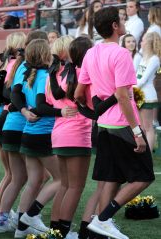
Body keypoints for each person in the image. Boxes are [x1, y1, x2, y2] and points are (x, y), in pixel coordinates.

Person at [74, 7, 155, 239]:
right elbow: (122, 95)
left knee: (112, 178)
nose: (124, 21)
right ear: (114, 26)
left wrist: (94, 110)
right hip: (122, 126)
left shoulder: (91, 53)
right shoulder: (120, 54)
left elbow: (79, 94)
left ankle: (101, 227)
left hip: (105, 127)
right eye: (120, 19)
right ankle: (103, 218)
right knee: (144, 177)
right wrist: (137, 131)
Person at [12, 39, 61, 238]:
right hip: (41, 134)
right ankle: (31, 215)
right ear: (44, 55)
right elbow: (42, 107)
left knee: (34, 181)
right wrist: (62, 112)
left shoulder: (28, 75)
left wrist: (24, 110)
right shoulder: (43, 76)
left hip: (29, 133)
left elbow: (19, 98)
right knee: (62, 179)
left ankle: (20, 229)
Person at [47, 36, 93, 238]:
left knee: (66, 185)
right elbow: (90, 104)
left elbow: (53, 98)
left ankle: (55, 230)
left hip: (59, 133)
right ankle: (63, 232)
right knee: (75, 187)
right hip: (77, 133)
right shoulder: (82, 73)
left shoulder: (62, 74)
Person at [0, 32, 26, 226]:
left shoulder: (6, 63)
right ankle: (0, 214)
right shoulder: (15, 65)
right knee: (14, 174)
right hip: (7, 118)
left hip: (0, 119)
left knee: (10, 174)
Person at [135, 32, 161, 152]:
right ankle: (143, 154)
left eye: (143, 40)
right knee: (142, 127)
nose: (141, 42)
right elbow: (137, 75)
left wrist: (132, 88)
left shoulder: (154, 59)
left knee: (148, 126)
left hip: (147, 95)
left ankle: (148, 155)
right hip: (139, 94)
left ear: (149, 42)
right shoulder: (144, 57)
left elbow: (144, 79)